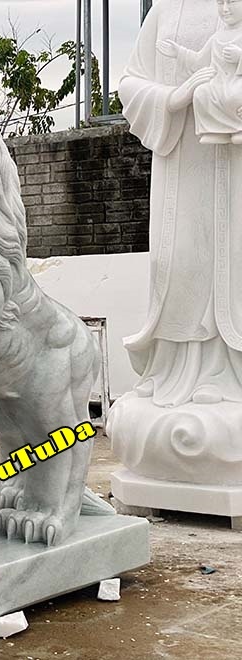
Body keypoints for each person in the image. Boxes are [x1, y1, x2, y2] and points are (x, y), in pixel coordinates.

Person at [119, 0, 242, 407]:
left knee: (231, 260)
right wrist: (174, 97)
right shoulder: (166, 11)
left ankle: (226, 374)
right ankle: (172, 370)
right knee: (177, 260)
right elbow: (131, 83)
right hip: (181, 165)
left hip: (234, 164)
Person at [158, 0, 242, 143]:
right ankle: (216, 129)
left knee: (235, 95)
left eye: (231, 2)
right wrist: (179, 52)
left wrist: (240, 56)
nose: (225, 9)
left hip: (237, 83)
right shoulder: (217, 37)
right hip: (219, 83)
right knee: (201, 92)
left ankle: (238, 128)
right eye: (220, 3)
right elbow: (200, 61)